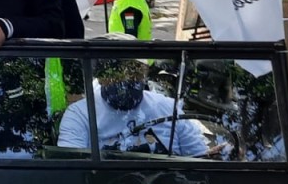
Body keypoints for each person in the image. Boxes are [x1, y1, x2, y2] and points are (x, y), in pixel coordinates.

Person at [57, 52, 208, 157]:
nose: (127, 79)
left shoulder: (169, 108)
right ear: (101, 78)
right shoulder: (80, 114)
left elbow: (198, 157)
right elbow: (72, 168)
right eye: (117, 73)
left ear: (145, 75)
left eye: (135, 72)